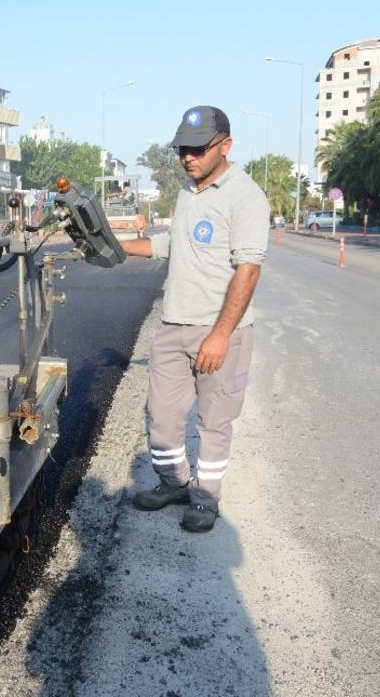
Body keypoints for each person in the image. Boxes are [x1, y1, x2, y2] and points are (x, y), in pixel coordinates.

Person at [119, 106, 269, 533]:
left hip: (222, 331)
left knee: (213, 421)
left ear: (225, 145)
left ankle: (205, 499)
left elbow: (249, 269)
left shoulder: (245, 196)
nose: (188, 157)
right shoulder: (189, 191)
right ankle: (173, 484)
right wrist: (119, 246)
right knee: (162, 417)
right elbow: (172, 244)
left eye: (198, 149)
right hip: (173, 326)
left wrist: (220, 336)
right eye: (183, 149)